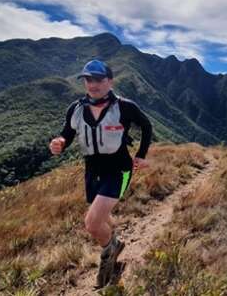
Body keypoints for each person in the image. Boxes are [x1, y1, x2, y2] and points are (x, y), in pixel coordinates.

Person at [48, 59, 152, 288]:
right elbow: (67, 134)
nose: (93, 85)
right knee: (101, 217)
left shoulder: (124, 107)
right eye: (88, 79)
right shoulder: (75, 109)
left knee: (93, 223)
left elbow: (146, 126)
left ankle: (109, 252)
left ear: (110, 81)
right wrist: (59, 143)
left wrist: (141, 154)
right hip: (92, 172)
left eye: (98, 79)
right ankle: (114, 242)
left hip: (119, 170)